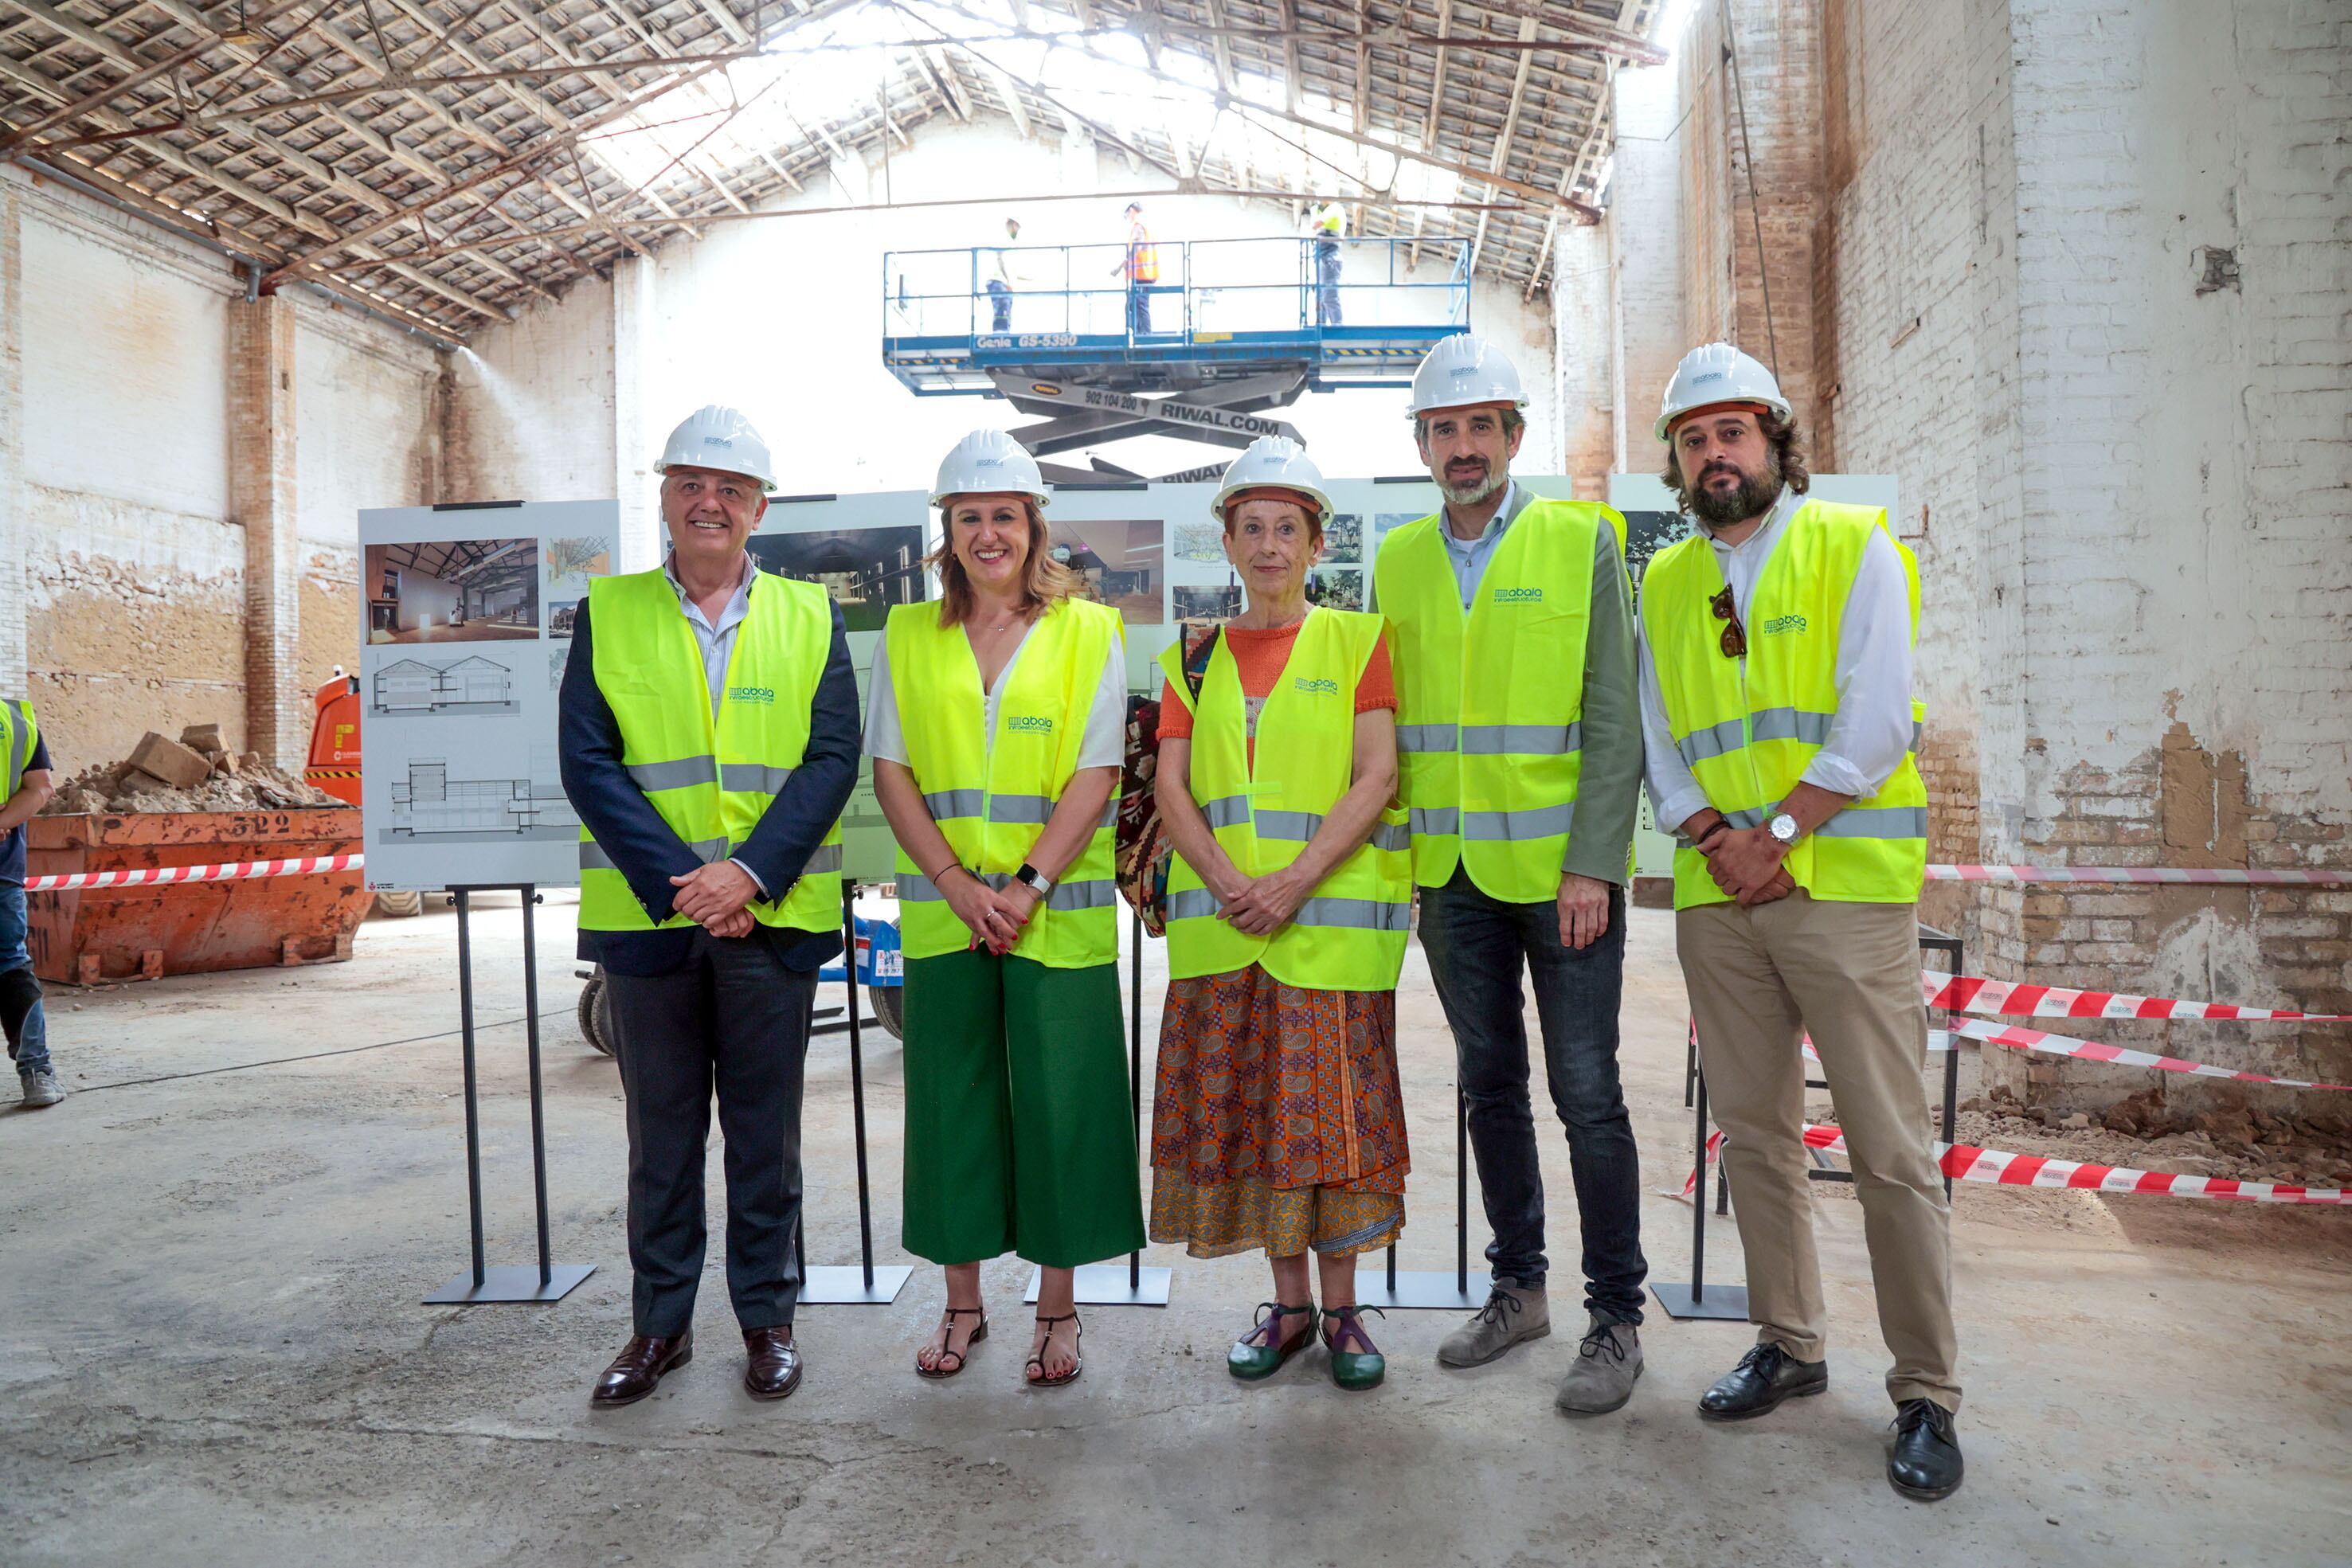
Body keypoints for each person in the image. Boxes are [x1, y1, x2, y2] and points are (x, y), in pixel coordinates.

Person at [1638, 342, 1962, 1500]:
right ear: (1675, 464)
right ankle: (1789, 1343)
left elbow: (1877, 720)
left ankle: (1927, 1391)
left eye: (1730, 433)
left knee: (1885, 1151)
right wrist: (1709, 833)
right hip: (1722, 897)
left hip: (1839, 894)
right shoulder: (1667, 581)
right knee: (1756, 1137)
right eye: (1691, 440)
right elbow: (1662, 739)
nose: (1712, 455)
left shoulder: (1850, 546)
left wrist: (1770, 837)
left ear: (1775, 440)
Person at [559, 404, 859, 1410]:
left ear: (759, 509)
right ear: (664, 497)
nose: (708, 502)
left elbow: (829, 761)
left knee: (765, 1136)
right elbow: (588, 764)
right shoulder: (610, 610)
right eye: (690, 483)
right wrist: (687, 884)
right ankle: (658, 1328)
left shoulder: (811, 616)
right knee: (663, 1133)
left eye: (729, 488)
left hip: (770, 924)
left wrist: (752, 876)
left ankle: (767, 1320)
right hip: (654, 925)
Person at [1372, 334, 1649, 1415]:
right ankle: (1517, 1288)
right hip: (1448, 876)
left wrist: (1594, 862)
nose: (1460, 447)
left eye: (1479, 425)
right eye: (1442, 430)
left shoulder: (1579, 538)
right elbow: (1389, 725)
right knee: (1489, 1085)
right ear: (1423, 445)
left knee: (1587, 1093)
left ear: (1513, 436)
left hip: (1558, 878)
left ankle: (1615, 1317)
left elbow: (1614, 718)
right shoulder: (1397, 561)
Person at [868, 428, 1145, 1389]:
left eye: (1005, 515)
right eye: (969, 517)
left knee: (1060, 1109)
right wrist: (954, 882)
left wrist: (1023, 885)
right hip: (949, 917)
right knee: (954, 1110)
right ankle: (963, 1303)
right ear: (947, 532)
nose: (989, 533)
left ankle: (1057, 1312)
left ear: (1036, 525)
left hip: (1050, 916)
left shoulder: (1089, 630)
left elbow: (1097, 769)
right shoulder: (910, 634)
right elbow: (892, 771)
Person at [1149, 436, 1411, 1391]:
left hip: (1327, 931)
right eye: (1250, 527)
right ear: (1227, 542)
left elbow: (1375, 774)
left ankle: (1342, 1313)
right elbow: (1171, 785)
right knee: (1260, 1120)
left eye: (1285, 528)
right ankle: (1291, 1307)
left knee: (1332, 1127)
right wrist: (1225, 880)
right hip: (1226, 934)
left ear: (1315, 543)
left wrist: (1293, 880)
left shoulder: (1356, 639)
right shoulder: (1193, 654)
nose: (1268, 545)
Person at [0, 698, 61, 1109]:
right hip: (3, 866)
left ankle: (37, 1069)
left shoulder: (18, 720)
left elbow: (39, 789)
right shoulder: (15, 718)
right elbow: (40, 789)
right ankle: (37, 1074)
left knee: (11, 963)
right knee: (11, 963)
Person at [1110, 200, 1157, 335]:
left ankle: (1144, 335)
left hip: (1142, 273)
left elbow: (1136, 249)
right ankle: (1141, 333)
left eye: (1127, 216)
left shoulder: (1138, 226)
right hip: (1143, 273)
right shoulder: (1146, 225)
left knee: (1139, 305)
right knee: (1134, 305)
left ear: (1131, 211)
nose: (1128, 219)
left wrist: (1120, 266)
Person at [1306, 198, 1346, 326]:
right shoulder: (1323, 210)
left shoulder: (1335, 208)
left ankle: (1337, 325)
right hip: (1321, 254)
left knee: (1329, 294)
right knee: (1320, 295)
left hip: (1330, 253)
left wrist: (1315, 212)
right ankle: (1321, 325)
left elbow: (1316, 224)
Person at [985, 216, 1024, 334]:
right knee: (1002, 307)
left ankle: (1003, 333)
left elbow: (1012, 267)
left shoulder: (1010, 241)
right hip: (998, 281)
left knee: (1005, 309)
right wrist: (1009, 280)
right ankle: (1000, 335)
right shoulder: (1004, 238)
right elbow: (1000, 258)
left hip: (1002, 281)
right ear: (1013, 225)